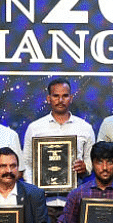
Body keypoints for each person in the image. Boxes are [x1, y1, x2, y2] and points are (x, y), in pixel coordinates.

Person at [22, 77, 97, 206]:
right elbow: (26, 164)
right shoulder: (34, 128)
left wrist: (85, 168)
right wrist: (35, 188)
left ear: (71, 98)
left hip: (73, 201)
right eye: (56, 96)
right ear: (48, 98)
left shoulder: (85, 128)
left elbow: (91, 161)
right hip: (43, 202)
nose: (60, 100)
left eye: (65, 96)